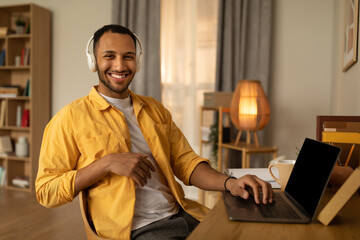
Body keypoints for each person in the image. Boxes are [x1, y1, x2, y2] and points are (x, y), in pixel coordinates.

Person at [35, 24, 274, 240]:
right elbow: (46, 191)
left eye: (128, 57)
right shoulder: (70, 118)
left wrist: (230, 183)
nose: (119, 66)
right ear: (93, 61)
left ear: (136, 61)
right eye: (109, 56)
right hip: (138, 230)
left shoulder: (155, 109)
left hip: (184, 214)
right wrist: (105, 164)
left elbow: (186, 162)